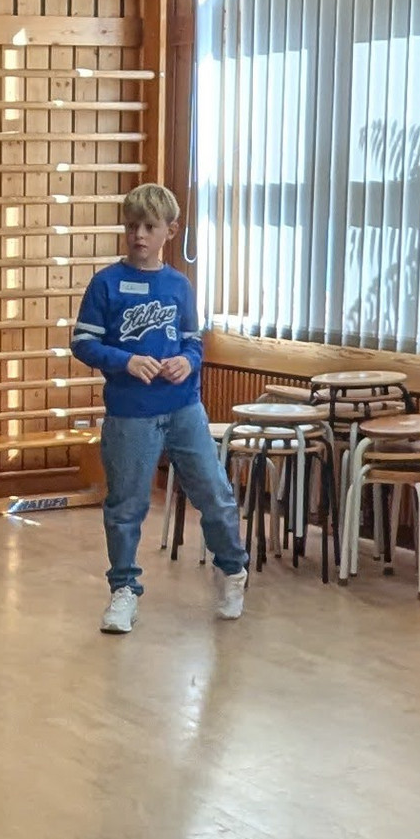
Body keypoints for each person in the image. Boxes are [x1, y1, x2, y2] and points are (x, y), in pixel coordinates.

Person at [75, 182, 248, 636]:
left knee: (213, 492)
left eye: (149, 227)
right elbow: (83, 342)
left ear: (169, 231)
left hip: (184, 408)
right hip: (130, 412)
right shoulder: (106, 283)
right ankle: (124, 591)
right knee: (126, 505)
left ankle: (232, 572)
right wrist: (125, 360)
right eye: (132, 226)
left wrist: (184, 362)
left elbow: (194, 343)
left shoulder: (177, 285)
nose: (138, 235)